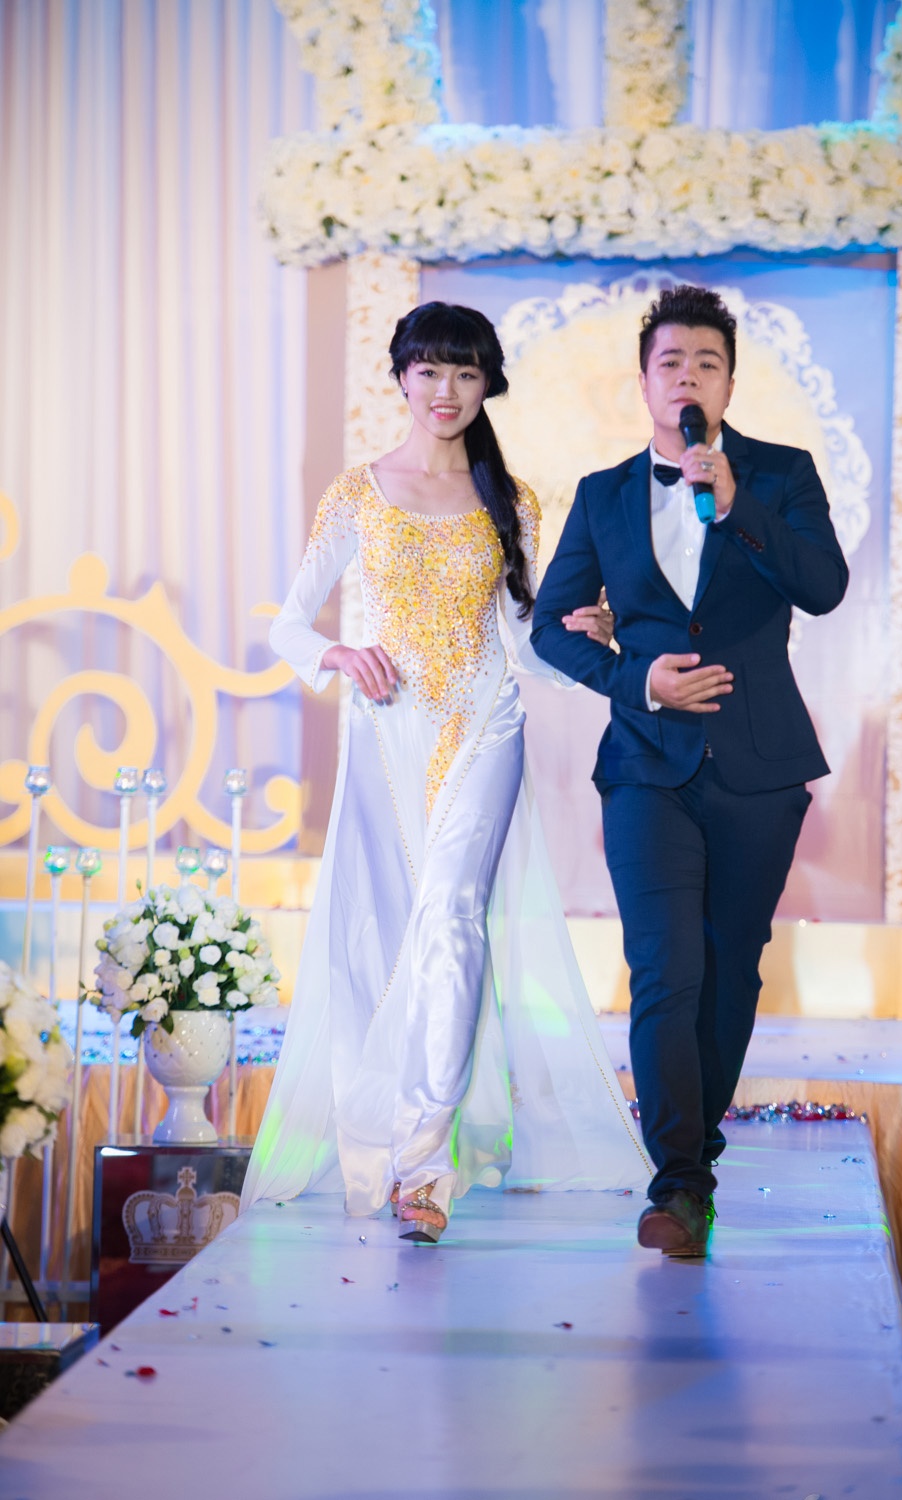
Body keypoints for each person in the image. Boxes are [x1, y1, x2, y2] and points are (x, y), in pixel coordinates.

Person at [241, 301, 652, 1241]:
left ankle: (424, 1167)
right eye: (428, 370)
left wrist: (587, 635)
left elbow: (527, 644)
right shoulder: (356, 492)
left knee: (453, 921)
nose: (445, 390)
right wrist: (337, 655)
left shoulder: (512, 500)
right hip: (387, 734)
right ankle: (387, 1131)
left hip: (483, 726)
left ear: (486, 384)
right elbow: (287, 624)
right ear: (400, 376)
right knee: (386, 936)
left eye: (465, 373)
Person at [531, 284, 849, 1257]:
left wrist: (737, 502)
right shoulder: (602, 494)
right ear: (643, 383)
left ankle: (694, 1161)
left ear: (728, 385)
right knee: (663, 969)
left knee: (727, 971)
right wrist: (636, 678)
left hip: (758, 766)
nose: (686, 378)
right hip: (644, 766)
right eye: (669, 362)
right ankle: (675, 1185)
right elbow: (551, 628)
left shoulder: (780, 474)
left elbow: (823, 586)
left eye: (705, 364)